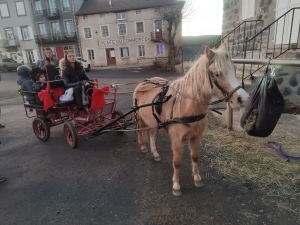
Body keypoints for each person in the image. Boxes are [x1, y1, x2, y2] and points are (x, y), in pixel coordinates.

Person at [60, 51, 93, 118]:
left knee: (89, 86)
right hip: (71, 89)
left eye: (73, 56)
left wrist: (91, 81)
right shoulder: (64, 70)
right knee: (78, 87)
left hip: (81, 86)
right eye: (70, 56)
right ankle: (80, 109)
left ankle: (91, 107)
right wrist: (79, 83)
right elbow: (67, 84)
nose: (72, 57)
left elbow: (86, 78)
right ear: (67, 59)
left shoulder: (80, 67)